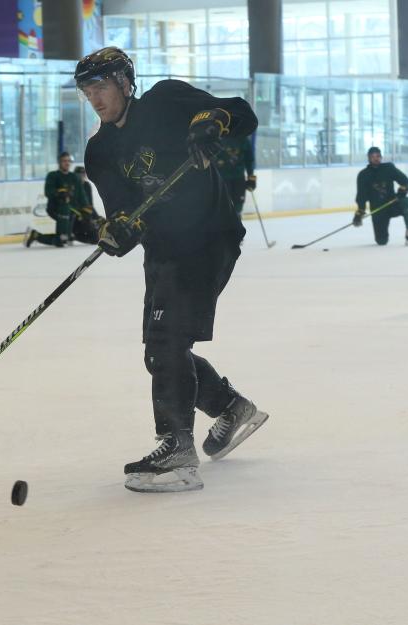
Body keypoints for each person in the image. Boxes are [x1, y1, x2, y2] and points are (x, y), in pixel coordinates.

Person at [76, 46, 269, 493]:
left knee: (167, 341)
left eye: (101, 87)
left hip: (208, 237)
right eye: (88, 91)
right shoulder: (100, 151)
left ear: (125, 83)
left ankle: (178, 450)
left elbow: (241, 115)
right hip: (164, 251)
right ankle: (232, 407)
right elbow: (126, 216)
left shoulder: (166, 100)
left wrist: (211, 122)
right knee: (158, 353)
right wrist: (117, 232)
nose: (96, 99)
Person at [24, 152, 88, 248]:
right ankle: (63, 236)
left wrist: (87, 207)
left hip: (72, 211)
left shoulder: (74, 177)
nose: (67, 163)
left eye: (68, 161)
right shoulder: (52, 175)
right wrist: (59, 193)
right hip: (56, 208)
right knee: (65, 209)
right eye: (64, 161)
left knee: (62, 240)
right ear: (59, 162)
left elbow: (81, 195)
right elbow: (48, 192)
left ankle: (37, 235)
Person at [353, 146, 408, 245]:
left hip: (392, 204)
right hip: (378, 210)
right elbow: (361, 196)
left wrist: (402, 191)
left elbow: (405, 181)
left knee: (406, 201)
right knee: (381, 241)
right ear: (368, 158)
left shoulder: (389, 168)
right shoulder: (363, 175)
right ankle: (382, 236)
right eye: (372, 156)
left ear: (381, 157)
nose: (376, 158)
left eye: (378, 156)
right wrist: (359, 212)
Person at [215, 135, 256, 214]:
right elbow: (211, 158)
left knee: (238, 207)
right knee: (223, 207)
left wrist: (251, 177)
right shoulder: (218, 137)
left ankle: (237, 223)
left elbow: (249, 160)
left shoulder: (243, 139)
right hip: (222, 179)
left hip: (238, 179)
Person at [71, 165, 104, 245]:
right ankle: (74, 236)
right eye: (79, 174)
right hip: (76, 215)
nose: (82, 176)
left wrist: (97, 217)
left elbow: (90, 204)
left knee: (102, 224)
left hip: (86, 214)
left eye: (83, 174)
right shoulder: (72, 185)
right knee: (93, 236)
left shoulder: (87, 185)